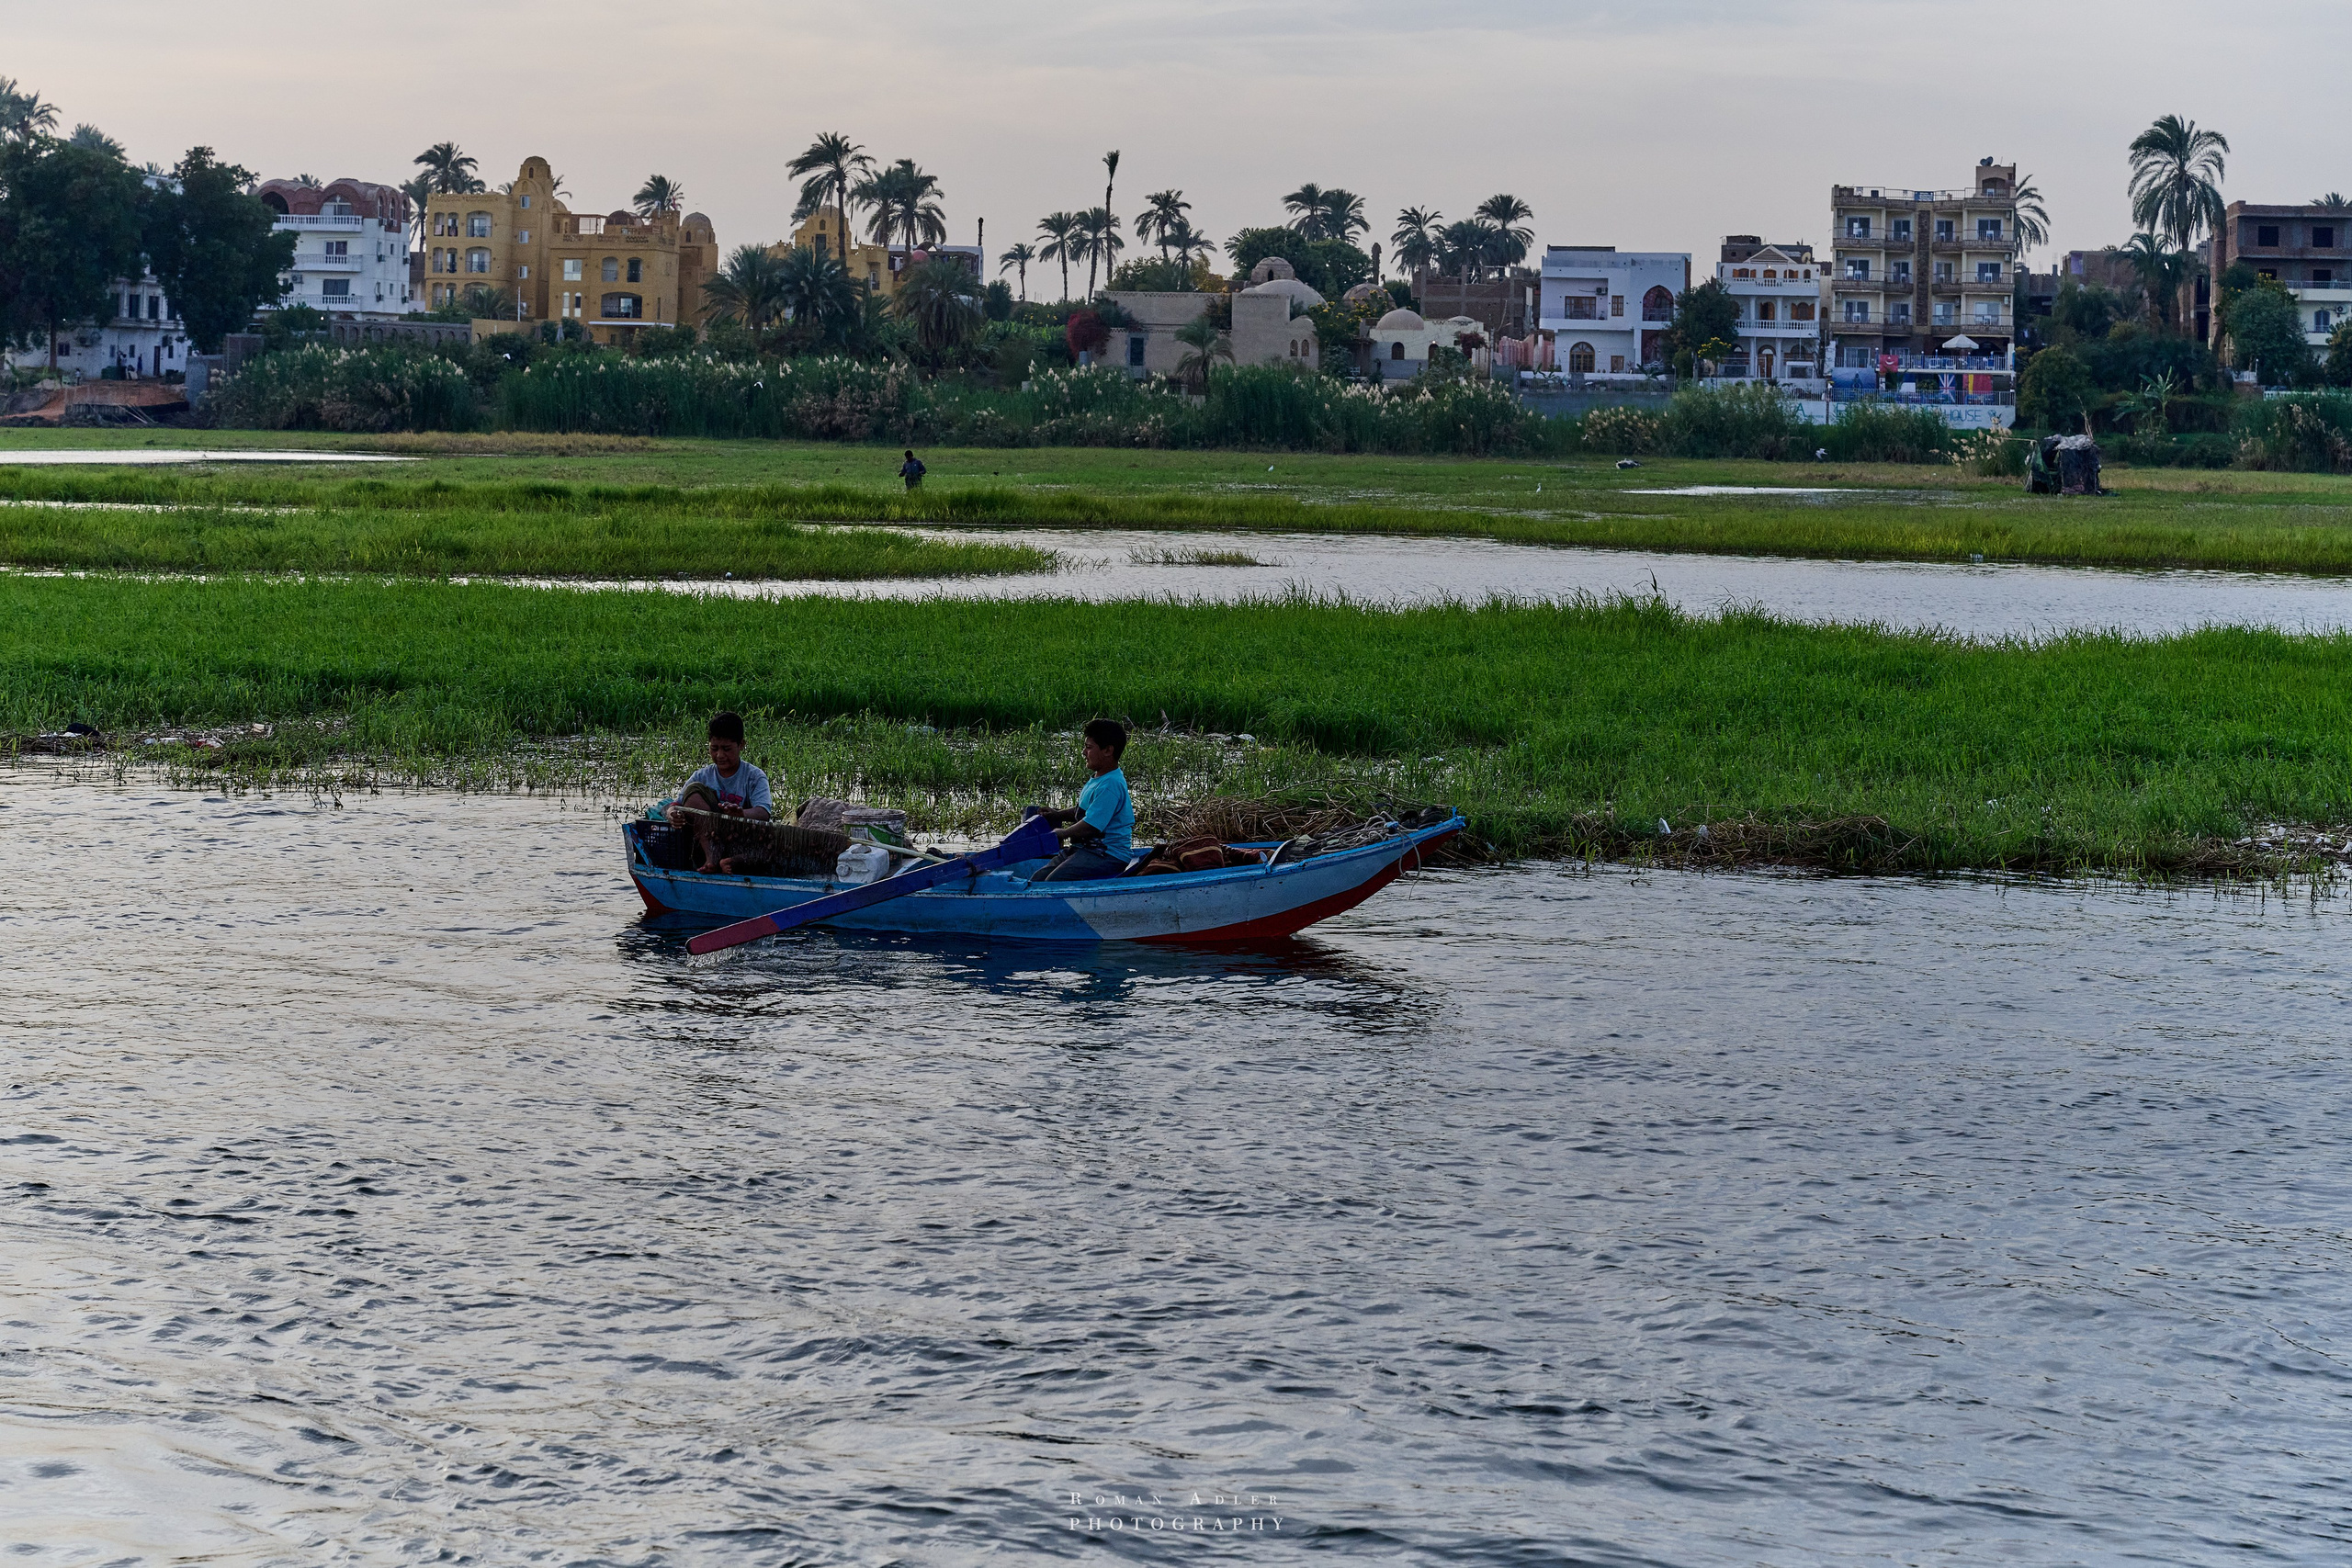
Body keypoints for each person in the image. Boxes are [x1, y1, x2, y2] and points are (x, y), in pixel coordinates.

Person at [1033, 719, 1135, 882]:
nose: (1083, 752)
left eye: (1089, 747)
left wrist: (1064, 833)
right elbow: (1083, 811)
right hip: (1085, 848)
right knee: (1038, 879)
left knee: (1054, 881)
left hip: (1108, 854)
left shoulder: (1111, 785)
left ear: (1108, 750)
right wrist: (1057, 815)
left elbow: (1092, 826)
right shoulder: (1098, 779)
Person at [677, 711, 772, 874]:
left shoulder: (754, 776)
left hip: (741, 839)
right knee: (693, 791)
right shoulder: (702, 776)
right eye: (714, 749)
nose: (720, 755)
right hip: (708, 840)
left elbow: (763, 812)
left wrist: (741, 814)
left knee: (770, 850)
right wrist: (672, 813)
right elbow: (675, 804)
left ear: (741, 745)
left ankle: (730, 862)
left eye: (726, 749)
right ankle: (712, 859)